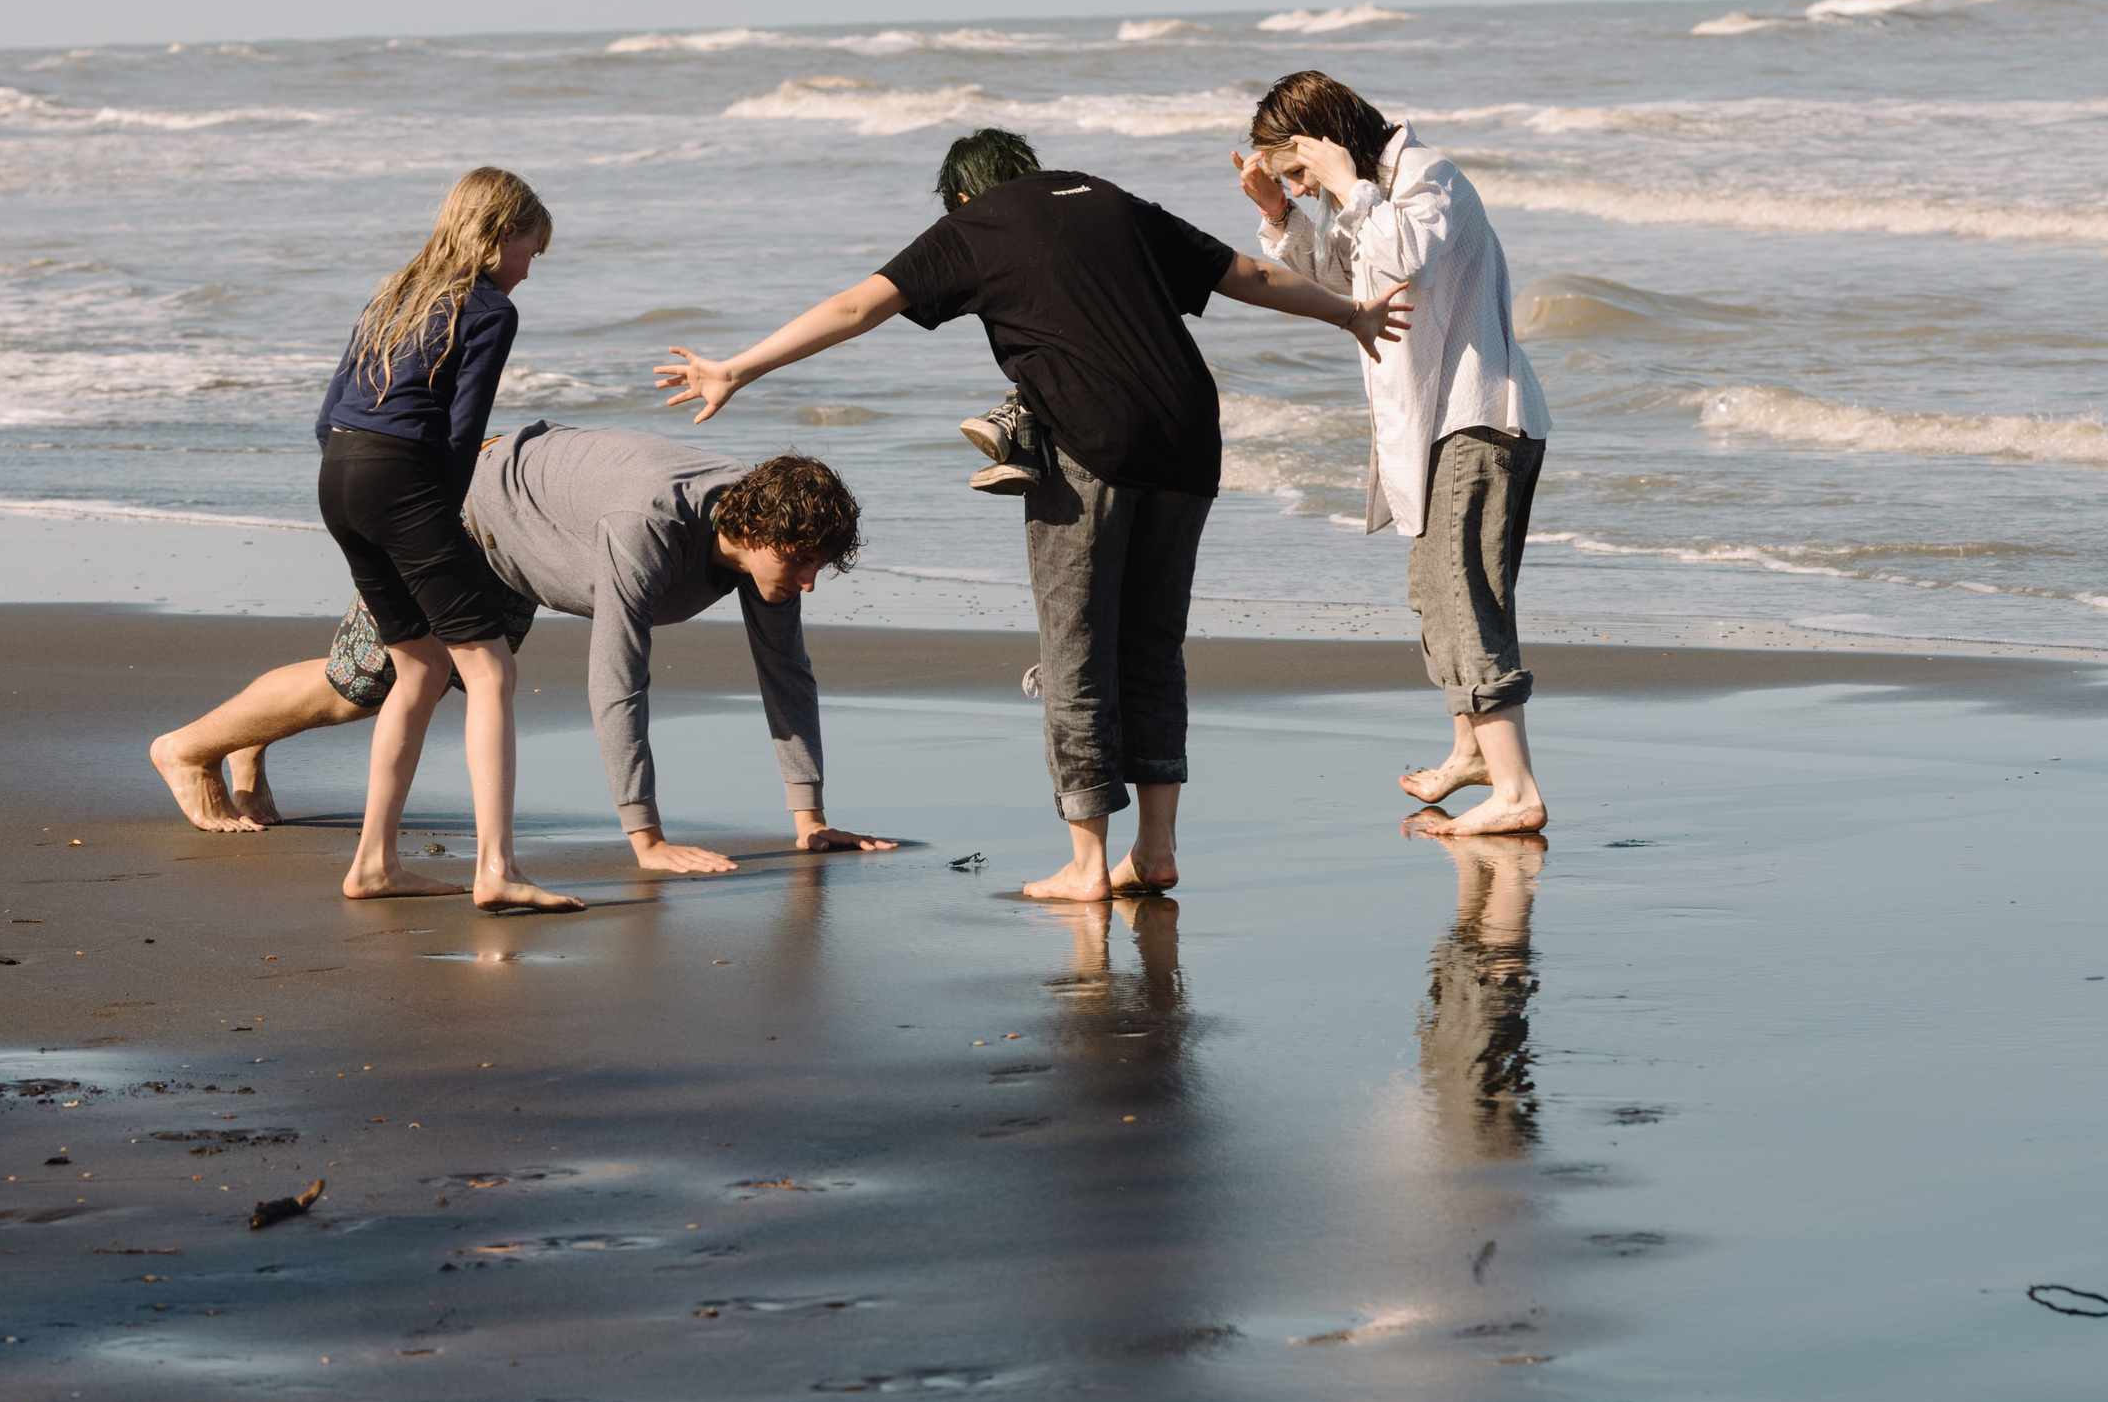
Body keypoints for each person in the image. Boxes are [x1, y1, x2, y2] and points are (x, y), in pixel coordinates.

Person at [654, 128, 1409, 902]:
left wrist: (737, 367)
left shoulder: (975, 224)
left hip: (1095, 441)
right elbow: (1245, 272)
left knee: (1075, 647)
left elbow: (856, 305)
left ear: (961, 195)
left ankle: (1086, 865)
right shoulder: (1111, 200)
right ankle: (1153, 850)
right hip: (1189, 439)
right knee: (1152, 645)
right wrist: (1347, 313)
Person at [151, 425, 892, 876]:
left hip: (525, 531)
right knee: (371, 683)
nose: (808, 583)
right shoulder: (652, 529)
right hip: (465, 511)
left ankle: (249, 740)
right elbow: (617, 680)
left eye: (818, 567)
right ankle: (186, 748)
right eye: (802, 563)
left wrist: (810, 817)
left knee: (421, 684)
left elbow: (786, 672)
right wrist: (648, 837)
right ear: (759, 530)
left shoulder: (761, 545)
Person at [1236, 72, 1554, 835]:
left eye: (1297, 169)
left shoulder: (1425, 176)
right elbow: (1348, 287)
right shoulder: (1370, 194)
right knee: (1434, 590)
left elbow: (1401, 256)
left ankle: (1517, 790)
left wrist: (1346, 186)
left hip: (1481, 417)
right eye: (1292, 179)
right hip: (1438, 424)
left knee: (1468, 593)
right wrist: (1281, 215)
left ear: (1324, 138)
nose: (1303, 185)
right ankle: (1472, 751)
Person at [313, 167, 572, 910]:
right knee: (489, 670)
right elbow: (461, 434)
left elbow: (329, 408)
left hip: (339, 475)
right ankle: (497, 869)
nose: (529, 268)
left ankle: (373, 863)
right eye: (530, 249)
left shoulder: (395, 290)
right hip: (405, 483)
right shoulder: (489, 307)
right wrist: (440, 521)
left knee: (420, 666)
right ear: (498, 236)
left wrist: (370, 489)